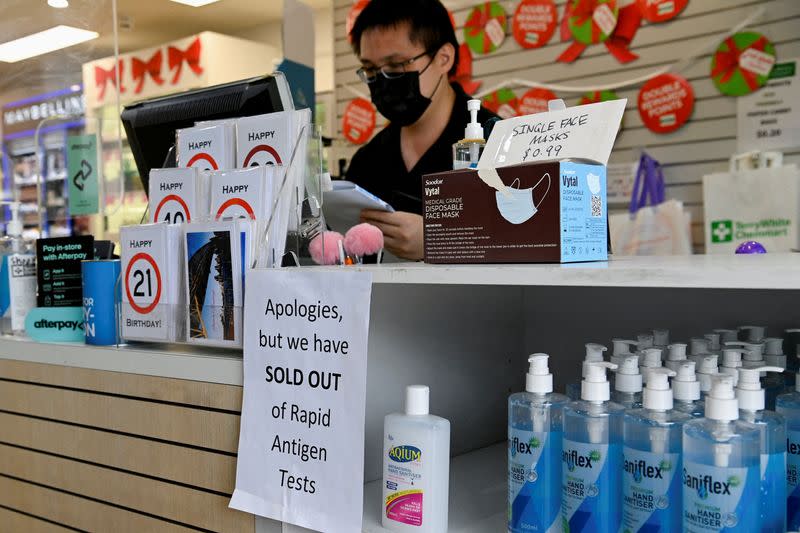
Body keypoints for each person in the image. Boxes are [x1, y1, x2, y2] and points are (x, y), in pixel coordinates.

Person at [347, 0, 497, 260]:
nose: (382, 80)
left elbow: (530, 236)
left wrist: (438, 241)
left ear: (444, 58)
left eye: (396, 65)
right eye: (371, 69)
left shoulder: (499, 141)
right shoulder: (367, 162)